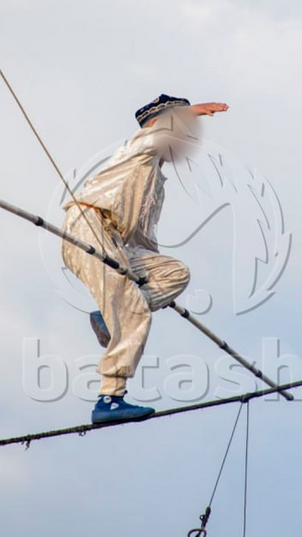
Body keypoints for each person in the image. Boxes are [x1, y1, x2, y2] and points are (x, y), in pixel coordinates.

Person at [61, 94, 229, 423]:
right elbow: (154, 135)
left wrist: (142, 282)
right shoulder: (137, 149)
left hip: (119, 244)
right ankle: (109, 399)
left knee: (175, 272)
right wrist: (188, 112)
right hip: (88, 228)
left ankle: (110, 318)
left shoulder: (155, 182)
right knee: (133, 310)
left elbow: (142, 242)